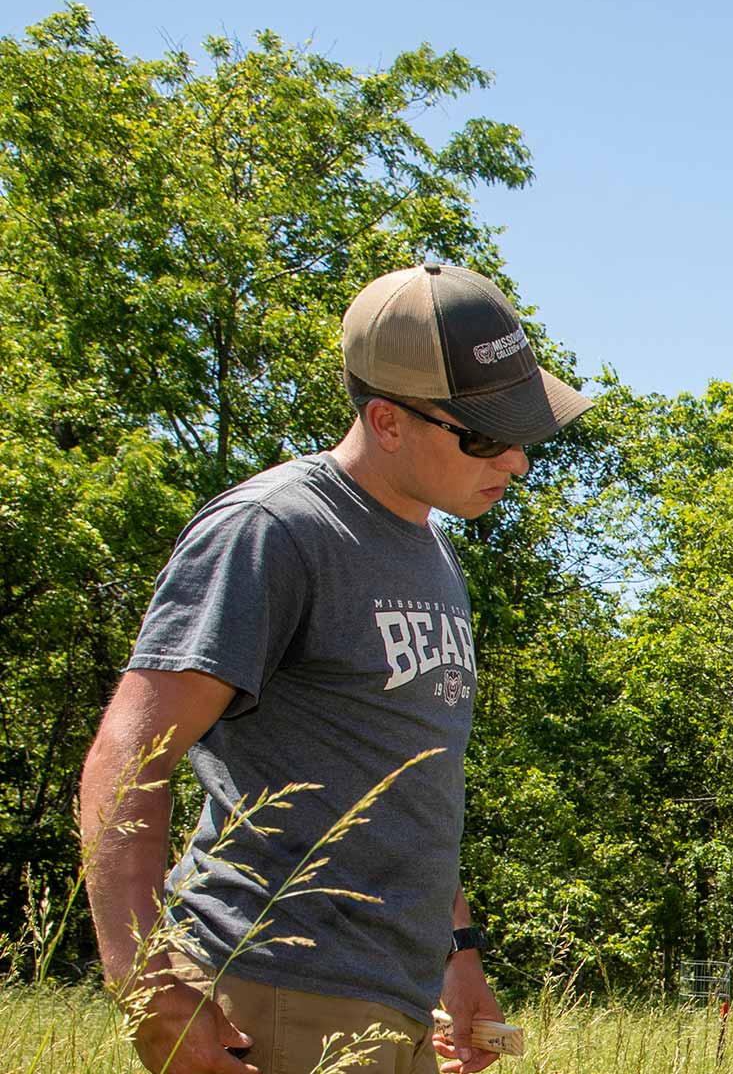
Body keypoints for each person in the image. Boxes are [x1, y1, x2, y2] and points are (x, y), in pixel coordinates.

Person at [79, 263, 592, 1074]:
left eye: (525, 429)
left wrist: (459, 958)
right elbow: (128, 758)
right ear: (386, 420)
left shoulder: (432, 549)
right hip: (274, 994)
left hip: (398, 1000)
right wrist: (146, 980)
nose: (520, 462)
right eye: (486, 436)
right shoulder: (272, 530)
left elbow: (410, 781)